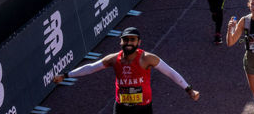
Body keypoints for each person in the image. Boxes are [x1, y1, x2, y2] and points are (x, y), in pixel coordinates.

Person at [52, 27, 199, 110]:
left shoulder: (147, 58)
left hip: (143, 108)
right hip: (122, 107)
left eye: (132, 40)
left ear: (138, 42)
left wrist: (189, 89)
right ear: (121, 41)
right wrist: (65, 75)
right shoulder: (113, 59)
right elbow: (91, 68)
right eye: (126, 39)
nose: (129, 43)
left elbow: (170, 72)